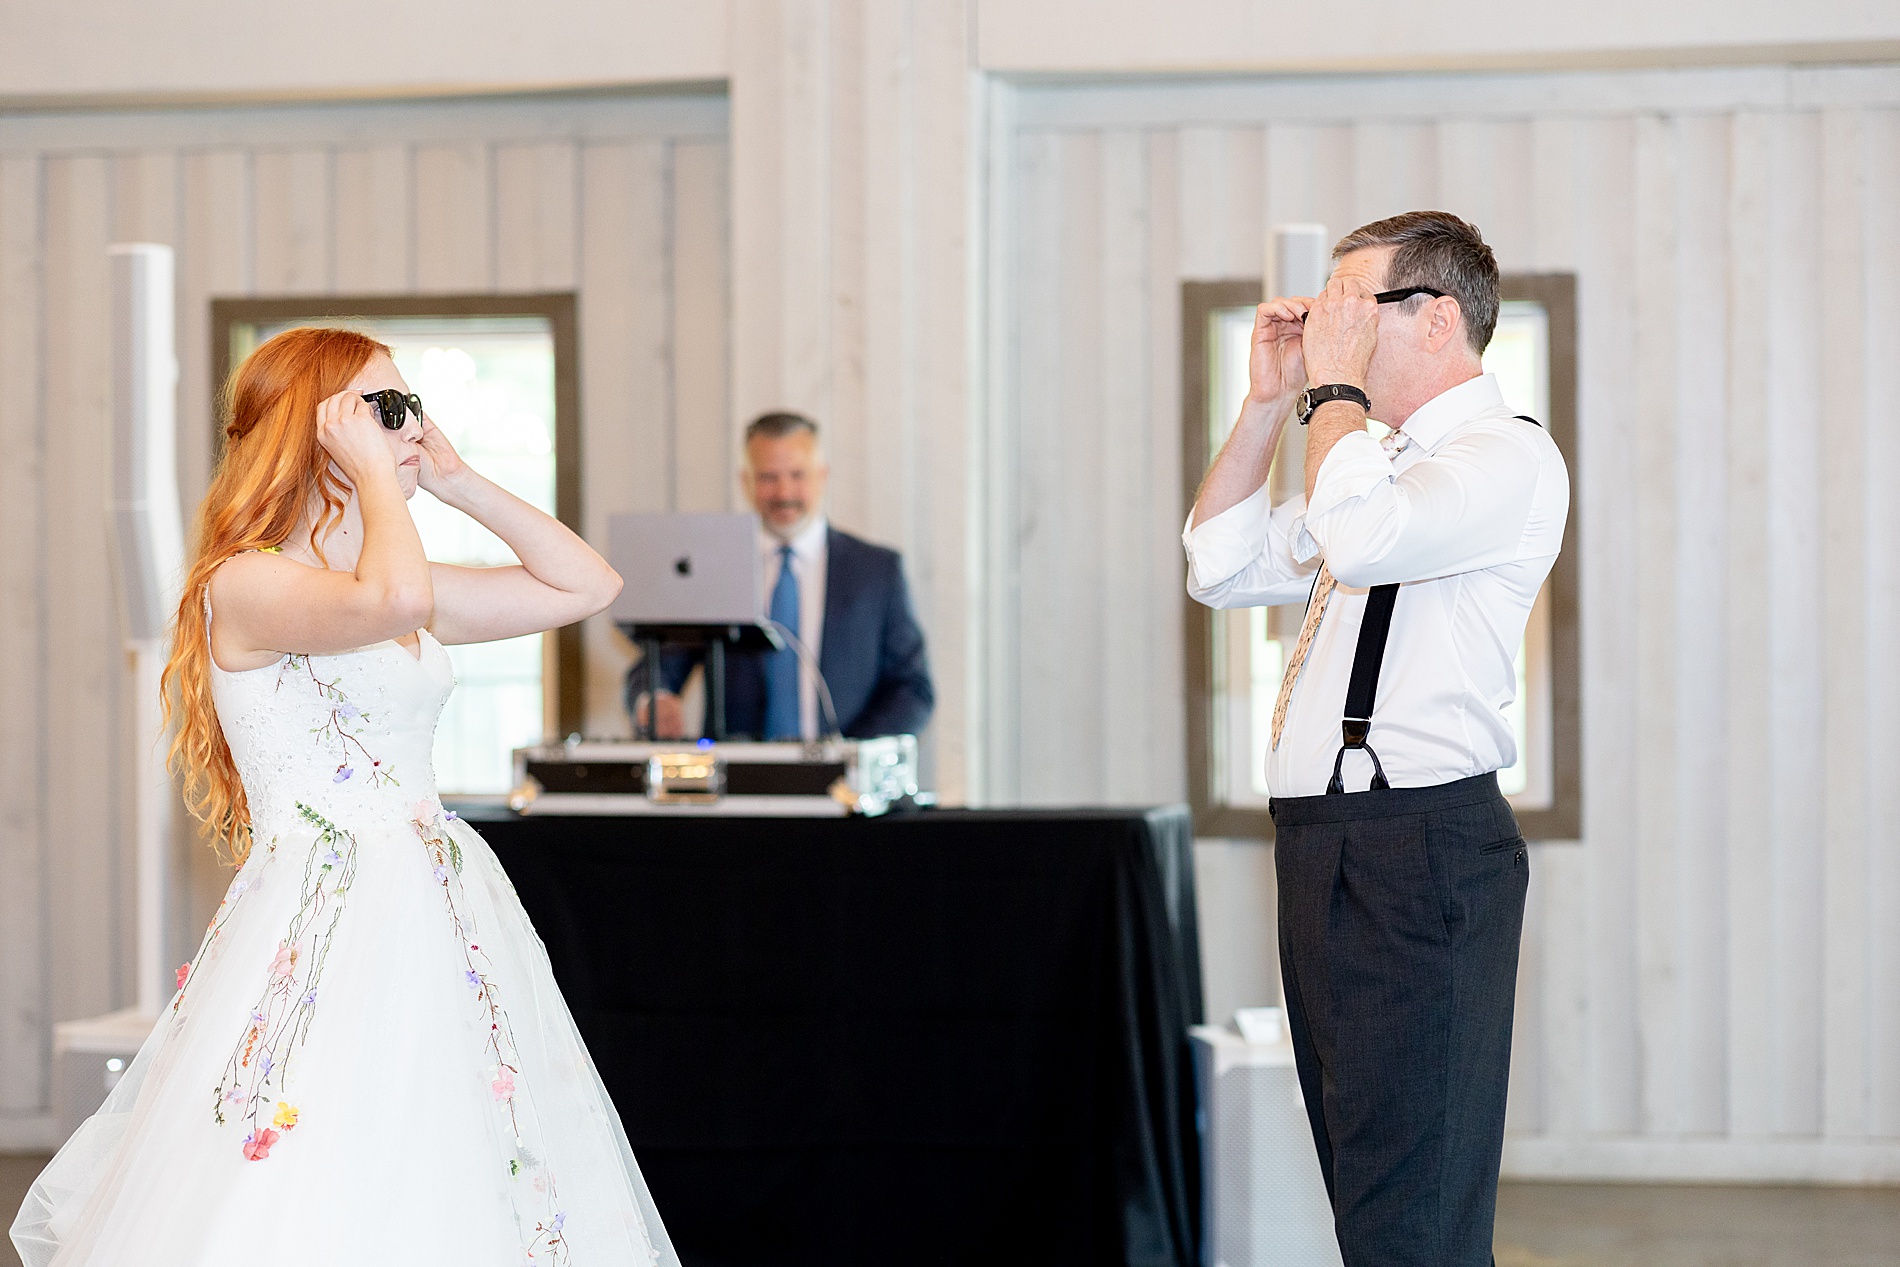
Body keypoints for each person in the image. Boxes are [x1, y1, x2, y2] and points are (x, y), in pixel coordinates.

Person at [12, 328, 679, 1266]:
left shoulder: (384, 579)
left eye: (410, 408)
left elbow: (586, 584)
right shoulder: (248, 585)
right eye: (386, 407)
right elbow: (397, 600)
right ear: (317, 429)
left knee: (446, 1150)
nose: (409, 426)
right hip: (329, 916)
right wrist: (375, 475)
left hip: (438, 908)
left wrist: (457, 481)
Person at [1183, 211, 1568, 1267]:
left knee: (1414, 1212)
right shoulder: (1360, 456)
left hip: (1419, 845)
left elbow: (1363, 538)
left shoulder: (1502, 457)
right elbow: (1215, 563)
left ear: (1434, 317)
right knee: (1369, 1195)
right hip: (1325, 844)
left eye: (1351, 305)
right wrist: (1267, 406)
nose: (1326, 328)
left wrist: (1331, 396)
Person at [628, 411, 933, 741]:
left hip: (844, 781)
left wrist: (851, 754)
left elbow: (913, 690)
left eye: (798, 475)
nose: (784, 491)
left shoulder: (876, 571)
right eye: (768, 477)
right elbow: (662, 662)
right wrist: (653, 699)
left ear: (822, 475)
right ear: (745, 481)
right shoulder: (717, 566)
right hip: (738, 779)